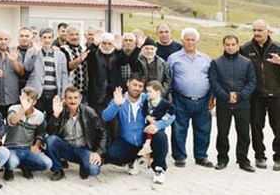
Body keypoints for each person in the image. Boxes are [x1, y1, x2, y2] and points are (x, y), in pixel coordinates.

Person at [102, 74, 173, 184]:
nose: (137, 88)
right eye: (134, 85)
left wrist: (157, 126)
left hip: (146, 139)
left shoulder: (148, 98)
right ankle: (134, 159)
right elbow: (105, 117)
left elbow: (172, 114)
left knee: (161, 137)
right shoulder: (120, 99)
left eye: (140, 86)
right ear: (128, 83)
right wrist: (116, 105)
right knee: (112, 153)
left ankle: (159, 169)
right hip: (128, 141)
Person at [168, 28, 214, 168]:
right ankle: (180, 157)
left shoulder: (205, 59)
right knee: (179, 129)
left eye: (193, 39)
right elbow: (168, 78)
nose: (190, 42)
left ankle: (201, 157)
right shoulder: (174, 58)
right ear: (182, 41)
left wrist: (212, 98)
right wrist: (169, 96)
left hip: (203, 100)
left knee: (203, 130)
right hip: (180, 99)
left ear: (197, 41)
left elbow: (212, 79)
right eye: (187, 39)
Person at [210, 35, 257, 171]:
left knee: (243, 133)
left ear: (237, 45)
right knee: (222, 133)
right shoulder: (216, 62)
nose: (230, 47)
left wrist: (239, 95)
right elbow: (214, 81)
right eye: (227, 45)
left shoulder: (247, 62)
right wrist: (225, 96)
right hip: (223, 104)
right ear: (223, 46)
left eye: (233, 44)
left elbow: (252, 82)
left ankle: (243, 160)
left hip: (242, 104)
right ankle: (222, 159)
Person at [240, 19, 280, 170]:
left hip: (276, 94)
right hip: (255, 95)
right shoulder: (245, 48)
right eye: (254, 30)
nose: (256, 33)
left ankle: (278, 158)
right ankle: (259, 156)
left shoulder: (278, 47)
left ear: (267, 31)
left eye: (260, 30)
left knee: (278, 127)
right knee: (256, 127)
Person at [46, 87, 106, 181]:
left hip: (84, 149)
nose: (73, 101)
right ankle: (57, 170)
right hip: (67, 148)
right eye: (69, 98)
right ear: (65, 99)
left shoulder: (89, 112)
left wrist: (99, 153)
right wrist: (56, 115)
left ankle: (84, 164)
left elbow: (103, 133)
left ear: (80, 99)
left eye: (75, 98)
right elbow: (50, 133)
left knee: (93, 170)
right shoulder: (60, 111)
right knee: (51, 140)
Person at [3, 87, 52, 181]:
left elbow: (40, 133)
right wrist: (23, 110)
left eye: (28, 100)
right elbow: (12, 122)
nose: (24, 102)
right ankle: (9, 170)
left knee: (47, 164)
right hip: (11, 148)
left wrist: (37, 145)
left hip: (27, 149)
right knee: (12, 163)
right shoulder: (13, 108)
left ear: (34, 102)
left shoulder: (39, 115)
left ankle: (26, 165)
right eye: (23, 99)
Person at [23, 28, 69, 121]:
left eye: (49, 37)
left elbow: (64, 75)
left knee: (53, 118)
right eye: (44, 37)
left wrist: (63, 94)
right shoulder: (32, 51)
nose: (47, 40)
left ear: (53, 39)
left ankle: (51, 136)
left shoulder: (60, 54)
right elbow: (27, 67)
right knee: (34, 118)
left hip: (53, 92)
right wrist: (36, 52)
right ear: (40, 38)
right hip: (37, 92)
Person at [0, 29, 24, 117]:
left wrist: (14, 61)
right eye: (0, 39)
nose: (3, 42)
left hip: (13, 97)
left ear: (10, 40)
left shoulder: (16, 53)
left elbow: (21, 72)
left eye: (6, 39)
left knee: (12, 125)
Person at [61, 25, 91, 104]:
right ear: (67, 36)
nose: (74, 37)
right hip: (70, 91)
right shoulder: (63, 49)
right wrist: (80, 59)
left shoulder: (84, 48)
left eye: (76, 34)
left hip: (84, 91)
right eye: (71, 34)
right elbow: (69, 66)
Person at [16, 26, 34, 91]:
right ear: (18, 38)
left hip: (32, 88)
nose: (24, 38)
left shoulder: (36, 52)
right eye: (21, 36)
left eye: (27, 36)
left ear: (32, 38)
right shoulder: (12, 51)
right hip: (15, 88)